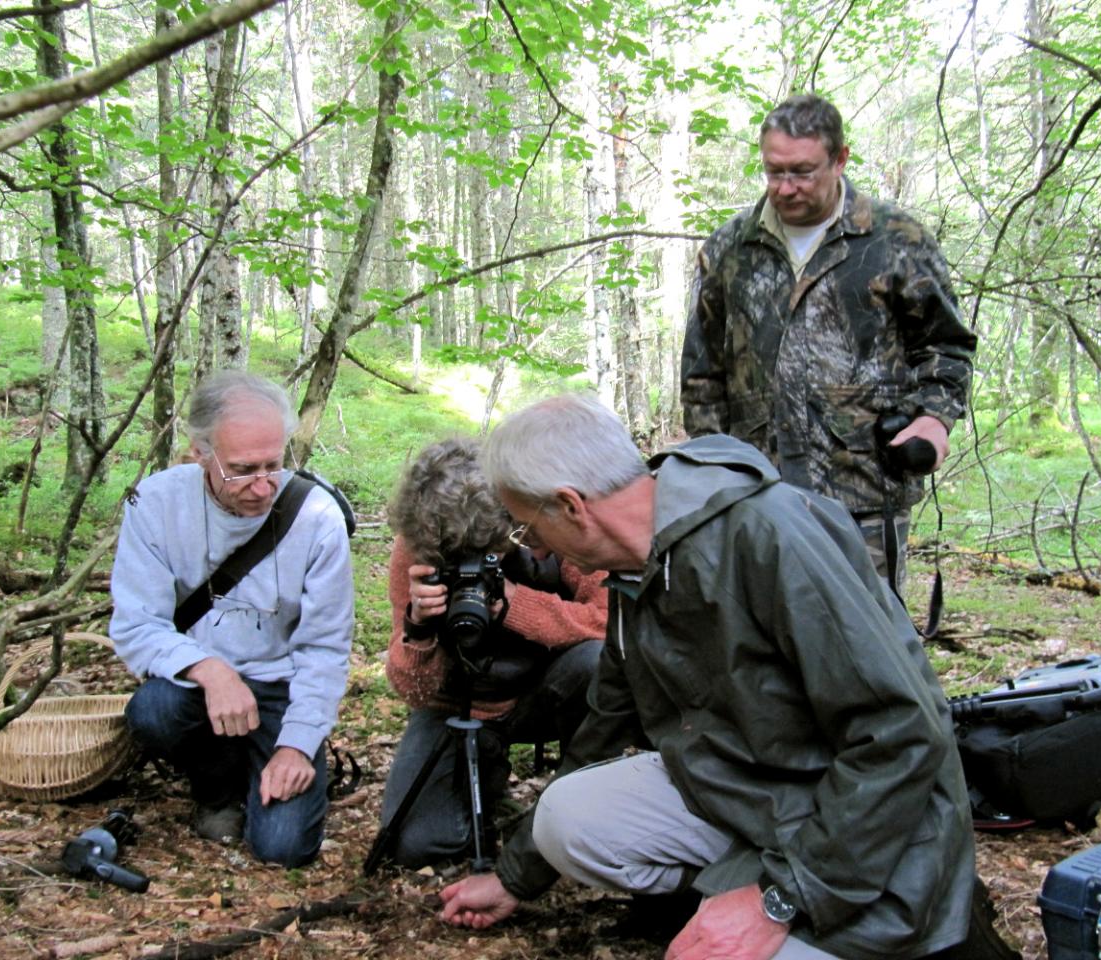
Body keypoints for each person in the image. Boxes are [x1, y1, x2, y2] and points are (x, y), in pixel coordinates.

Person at [439, 393, 1011, 960]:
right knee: (569, 816)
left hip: (878, 829)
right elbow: (605, 722)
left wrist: (777, 901)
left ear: (571, 506)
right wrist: (514, 877)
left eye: (526, 527)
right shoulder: (635, 568)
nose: (530, 545)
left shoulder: (769, 534)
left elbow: (901, 734)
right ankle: (735, 897)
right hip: (756, 805)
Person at [681, 93, 977, 590]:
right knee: (766, 647)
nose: (786, 188)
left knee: (868, 647)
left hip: (862, 491)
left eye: (802, 172)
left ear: (840, 159)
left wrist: (933, 419)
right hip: (758, 494)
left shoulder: (896, 238)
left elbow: (946, 347)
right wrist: (715, 470)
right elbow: (703, 374)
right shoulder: (729, 248)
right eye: (774, 172)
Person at [110, 370, 355, 868]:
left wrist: (297, 744)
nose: (263, 486)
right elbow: (137, 624)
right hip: (200, 689)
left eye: (274, 464)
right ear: (201, 452)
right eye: (243, 469)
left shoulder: (317, 517)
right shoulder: (157, 503)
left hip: (282, 688)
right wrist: (210, 669)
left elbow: (324, 649)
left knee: (283, 849)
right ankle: (216, 788)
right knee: (153, 710)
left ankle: (273, 756)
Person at [377, 436, 608, 868]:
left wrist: (516, 603)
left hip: (542, 691)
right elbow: (414, 692)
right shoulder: (419, 544)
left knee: (597, 661)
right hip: (457, 703)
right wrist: (419, 630)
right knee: (419, 844)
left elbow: (609, 621)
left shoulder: (545, 524)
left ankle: (581, 800)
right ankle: (486, 782)